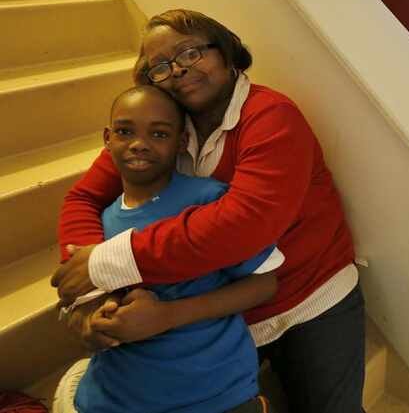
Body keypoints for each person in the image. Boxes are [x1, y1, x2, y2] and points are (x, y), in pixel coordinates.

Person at [52, 10, 365, 413]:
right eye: (160, 67)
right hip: (223, 308)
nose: (178, 70)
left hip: (309, 294)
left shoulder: (272, 117)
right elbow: (84, 200)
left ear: (228, 52)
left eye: (191, 53)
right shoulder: (159, 130)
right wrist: (89, 297)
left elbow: (244, 225)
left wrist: (106, 262)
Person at [56, 85, 280, 413]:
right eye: (124, 131)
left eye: (159, 134)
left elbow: (264, 285)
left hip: (215, 390)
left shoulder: (211, 200)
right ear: (107, 139)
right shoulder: (100, 221)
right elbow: (78, 297)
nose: (139, 144)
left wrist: (167, 316)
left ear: (181, 142)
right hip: (116, 392)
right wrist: (93, 325)